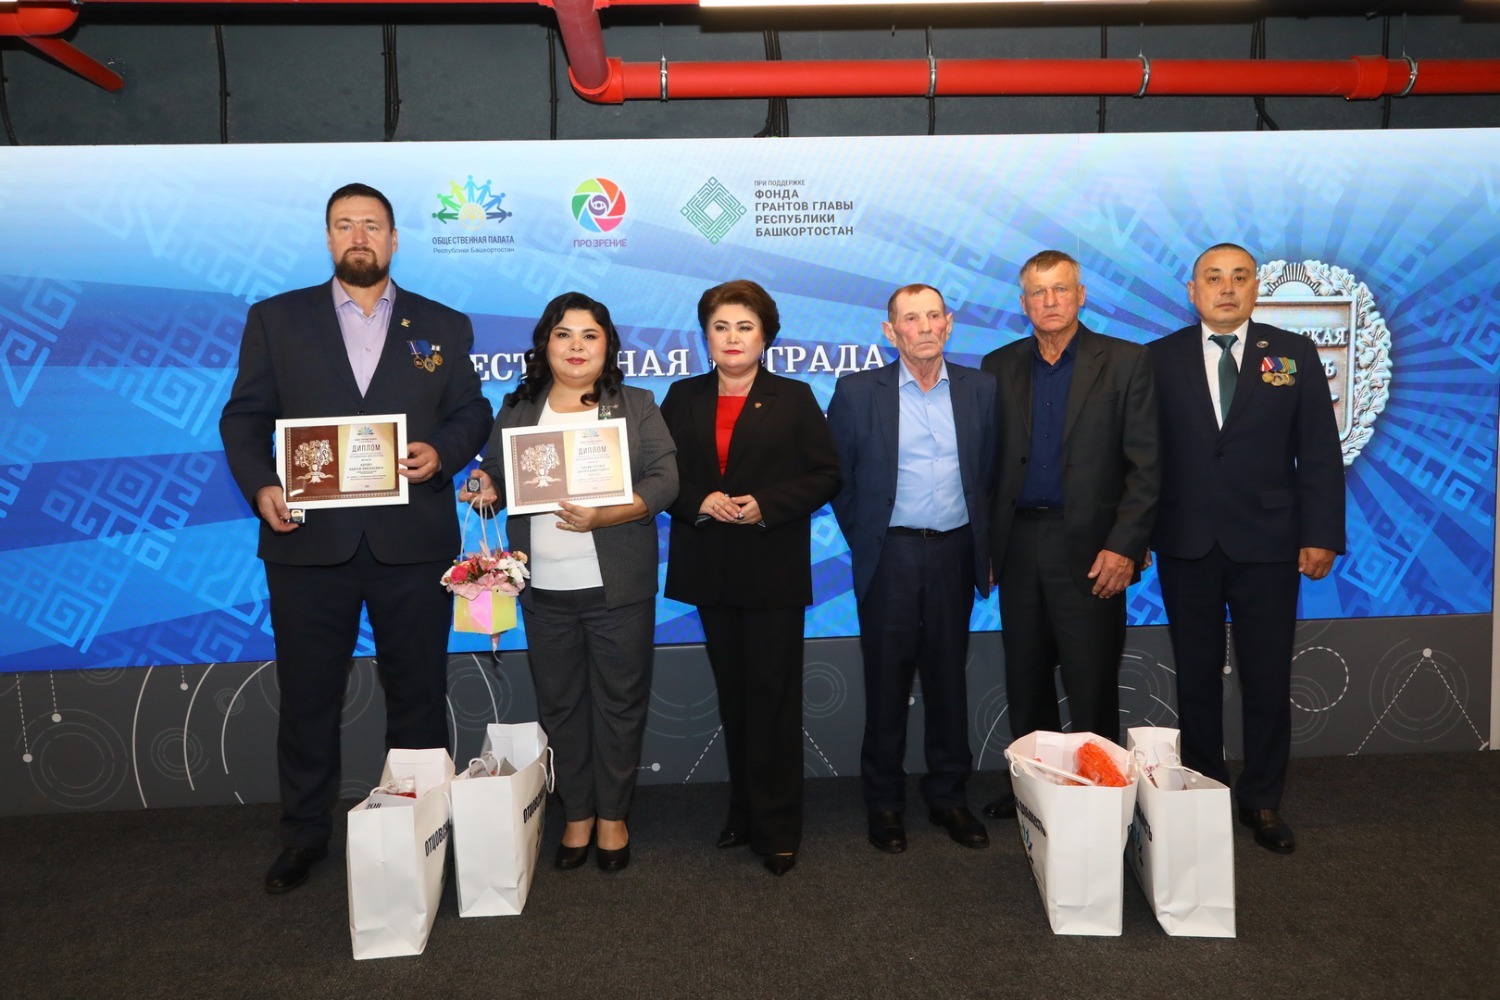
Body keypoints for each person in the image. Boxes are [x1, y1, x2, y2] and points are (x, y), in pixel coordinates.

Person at [219, 182, 494, 893]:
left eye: (372, 224)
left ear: (395, 239)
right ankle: (304, 835)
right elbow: (243, 418)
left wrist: (443, 452)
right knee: (308, 696)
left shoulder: (444, 323)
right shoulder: (276, 319)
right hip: (309, 543)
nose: (359, 236)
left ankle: (420, 826)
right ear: (328, 238)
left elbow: (473, 412)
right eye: (345, 225)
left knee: (419, 694)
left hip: (413, 542)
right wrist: (262, 486)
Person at [463, 291, 677, 873]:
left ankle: (613, 816)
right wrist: (483, 488)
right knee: (560, 705)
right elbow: (495, 479)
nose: (576, 346)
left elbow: (666, 480)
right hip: (543, 589)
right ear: (545, 344)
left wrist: (607, 515)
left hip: (617, 588)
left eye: (589, 335)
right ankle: (577, 812)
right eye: (563, 334)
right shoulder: (518, 408)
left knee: (620, 705)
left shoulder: (635, 404)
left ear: (607, 346)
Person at [1148, 243, 1344, 854]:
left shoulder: (1293, 353)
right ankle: (1205, 794)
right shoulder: (1157, 358)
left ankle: (1262, 800)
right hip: (1186, 542)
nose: (1227, 288)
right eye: (1213, 278)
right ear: (1193, 290)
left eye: (1239, 277)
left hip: (1269, 543)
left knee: (1266, 676)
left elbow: (1318, 450)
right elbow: (1141, 457)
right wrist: (1135, 536)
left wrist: (1321, 533)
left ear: (1257, 288)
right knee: (1196, 677)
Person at [659, 280, 842, 878]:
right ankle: (743, 811)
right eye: (721, 327)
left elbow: (826, 474)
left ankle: (779, 826)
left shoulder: (794, 397)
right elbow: (658, 475)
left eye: (745, 327)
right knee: (735, 699)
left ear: (766, 336)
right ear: (705, 336)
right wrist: (697, 500)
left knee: (774, 700)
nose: (732, 338)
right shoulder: (682, 396)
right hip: (709, 569)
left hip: (771, 571)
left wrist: (767, 503)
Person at [980, 250, 1160, 820]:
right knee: (1025, 677)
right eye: (1038, 292)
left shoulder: (1127, 361)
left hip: (1093, 549)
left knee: (1090, 682)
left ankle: (1099, 801)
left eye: (1061, 289)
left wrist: (1126, 545)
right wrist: (986, 547)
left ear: (1081, 295)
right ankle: (1037, 795)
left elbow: (1147, 467)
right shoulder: (998, 365)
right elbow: (986, 466)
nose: (1050, 300)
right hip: (1019, 544)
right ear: (1023, 302)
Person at [827, 283, 996, 854]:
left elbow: (993, 474)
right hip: (891, 555)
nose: (924, 327)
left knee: (949, 679)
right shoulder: (856, 392)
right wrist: (870, 538)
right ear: (890, 330)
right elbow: (839, 479)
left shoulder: (981, 389)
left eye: (933, 316)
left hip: (955, 552)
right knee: (886, 681)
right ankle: (884, 802)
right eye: (910, 318)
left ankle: (949, 796)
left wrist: (985, 550)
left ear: (949, 323)